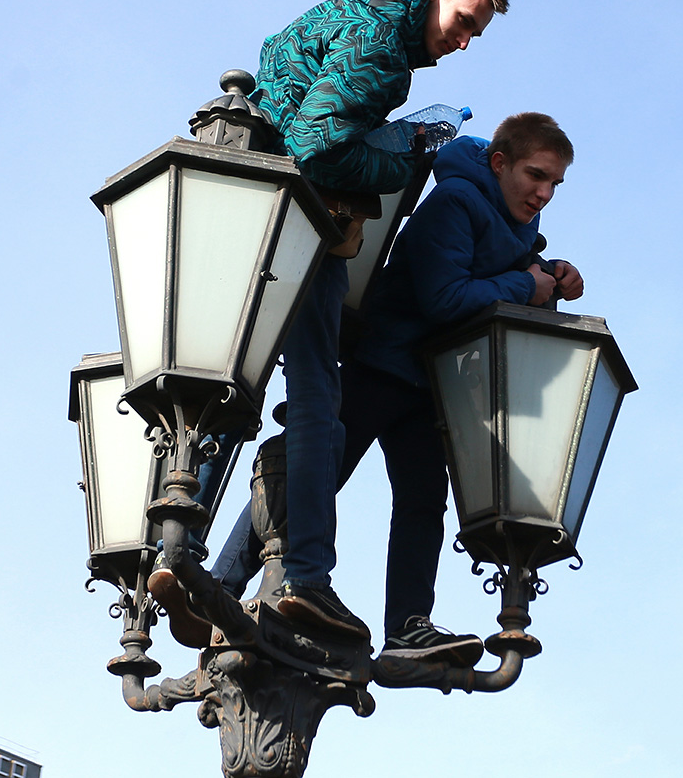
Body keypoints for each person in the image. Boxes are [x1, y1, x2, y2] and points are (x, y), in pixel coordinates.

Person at [151, 0, 509, 644]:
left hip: (250, 219)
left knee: (225, 387)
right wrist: (405, 151)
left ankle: (181, 555)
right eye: (465, 20)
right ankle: (303, 577)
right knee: (321, 400)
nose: (463, 40)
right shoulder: (381, 43)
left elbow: (282, 78)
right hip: (299, 222)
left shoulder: (350, 12)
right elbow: (318, 147)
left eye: (476, 35)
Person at [213, 113, 582, 667]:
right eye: (536, 176)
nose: (545, 193)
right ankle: (222, 581)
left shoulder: (516, 225)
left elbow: (502, 265)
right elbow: (446, 297)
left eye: (555, 183)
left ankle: (408, 629)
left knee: (423, 503)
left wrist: (548, 268)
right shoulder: (454, 203)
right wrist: (523, 283)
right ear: (500, 163)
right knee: (316, 473)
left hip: (430, 383)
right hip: (383, 366)